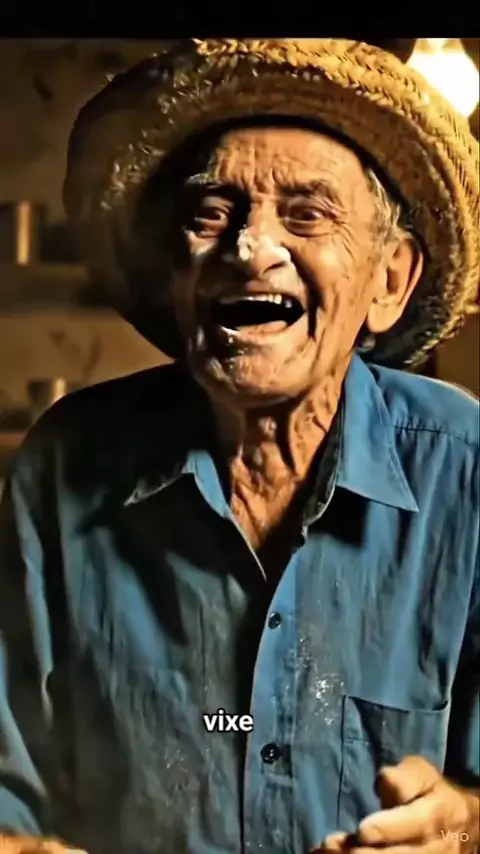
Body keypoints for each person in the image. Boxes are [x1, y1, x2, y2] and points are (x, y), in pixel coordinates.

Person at [0, 38, 478, 854]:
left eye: (308, 214)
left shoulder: (465, 468)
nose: (251, 248)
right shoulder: (65, 464)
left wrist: (463, 827)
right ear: (174, 275)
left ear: (390, 282)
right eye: (212, 214)